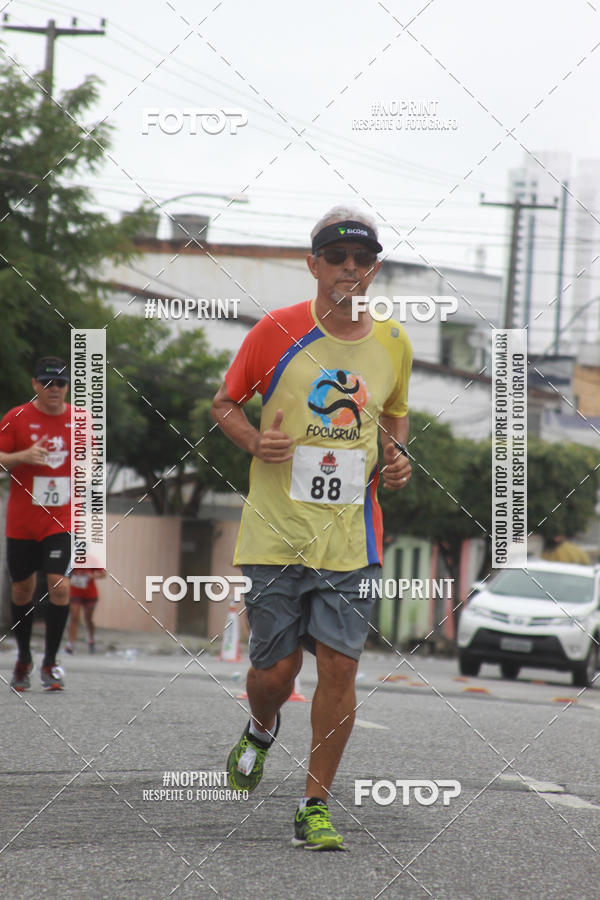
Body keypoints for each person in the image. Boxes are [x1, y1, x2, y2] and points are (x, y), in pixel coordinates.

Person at [211, 206, 413, 850]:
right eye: (336, 258)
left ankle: (314, 805)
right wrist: (252, 441)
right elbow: (225, 403)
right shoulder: (275, 331)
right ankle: (262, 727)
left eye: (362, 260)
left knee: (341, 667)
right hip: (275, 530)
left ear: (374, 269)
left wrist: (396, 458)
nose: (349, 269)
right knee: (274, 673)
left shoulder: (393, 343)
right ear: (314, 266)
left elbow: (394, 414)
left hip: (353, 537)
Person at [0, 357, 73, 691]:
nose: (54, 389)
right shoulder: (16, 418)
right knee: (22, 589)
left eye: (59, 383)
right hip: (22, 520)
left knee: (59, 584)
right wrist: (22, 457)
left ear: (67, 386)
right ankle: (24, 657)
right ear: (35, 385)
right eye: (47, 383)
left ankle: (51, 662)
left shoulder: (82, 421)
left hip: (61, 519)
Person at [65, 567, 106, 654]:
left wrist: (92, 575)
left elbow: (103, 574)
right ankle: (70, 643)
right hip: (75, 593)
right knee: (74, 618)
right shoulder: (73, 559)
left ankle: (91, 638)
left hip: (90, 594)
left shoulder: (92, 560)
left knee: (88, 619)